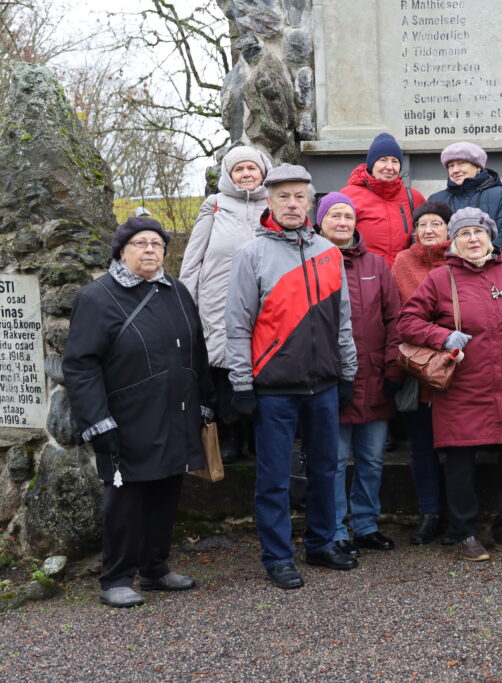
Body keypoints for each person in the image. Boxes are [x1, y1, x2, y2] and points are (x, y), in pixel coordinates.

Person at [63, 217, 214, 608]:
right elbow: (81, 365)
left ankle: (154, 569)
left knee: (166, 492)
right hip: (124, 417)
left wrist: (205, 400)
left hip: (175, 412)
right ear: (122, 251)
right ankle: (115, 577)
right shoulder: (97, 297)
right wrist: (97, 421)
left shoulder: (177, 291)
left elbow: (197, 350)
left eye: (157, 244)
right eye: (140, 243)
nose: (150, 250)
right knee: (126, 500)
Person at [225, 164, 359, 589]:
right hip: (274, 388)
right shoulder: (252, 254)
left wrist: (348, 372)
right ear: (269, 201)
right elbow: (237, 323)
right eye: (283, 196)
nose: (291, 203)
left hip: (322, 384)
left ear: (311, 202)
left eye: (299, 196)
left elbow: (343, 322)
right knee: (274, 478)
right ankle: (278, 556)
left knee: (324, 469)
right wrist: (242, 382)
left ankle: (319, 544)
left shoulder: (329, 252)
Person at [398, 207, 502, 561]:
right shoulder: (439, 279)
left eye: (479, 232)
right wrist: (442, 336)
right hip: (461, 389)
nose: (473, 239)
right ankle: (464, 532)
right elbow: (407, 322)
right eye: (464, 234)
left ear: (491, 238)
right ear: (454, 241)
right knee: (460, 464)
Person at [317, 192, 404, 556]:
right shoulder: (312, 261)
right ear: (320, 221)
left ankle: (366, 524)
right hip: (331, 382)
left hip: (375, 379)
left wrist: (392, 368)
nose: (342, 222)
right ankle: (334, 528)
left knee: (371, 459)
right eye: (335, 215)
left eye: (348, 217)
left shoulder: (377, 265)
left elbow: (393, 319)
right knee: (334, 462)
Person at [179, 145, 274, 463]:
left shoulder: (274, 204)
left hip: (263, 302)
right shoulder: (215, 205)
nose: (246, 174)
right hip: (217, 300)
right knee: (223, 369)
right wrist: (184, 303)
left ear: (263, 172)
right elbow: (193, 260)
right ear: (229, 175)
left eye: (252, 168)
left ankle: (257, 435)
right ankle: (231, 437)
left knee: (261, 366)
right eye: (239, 169)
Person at [391, 199, 453, 545]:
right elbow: (395, 313)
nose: (428, 231)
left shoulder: (459, 259)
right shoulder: (402, 262)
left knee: (458, 445)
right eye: (422, 224)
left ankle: (459, 514)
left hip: (457, 368)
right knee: (421, 445)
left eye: (436, 224)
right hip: (415, 367)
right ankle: (429, 512)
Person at [341, 132, 425, 267]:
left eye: (395, 161)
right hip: (366, 279)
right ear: (372, 164)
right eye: (383, 160)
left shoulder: (413, 197)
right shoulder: (349, 197)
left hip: (403, 280)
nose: (390, 167)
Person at [429, 142, 502, 255]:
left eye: (461, 163)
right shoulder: (436, 200)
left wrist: (487, 261)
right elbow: (428, 237)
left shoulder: (501, 195)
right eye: (451, 166)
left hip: (490, 267)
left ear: (478, 166)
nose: (455, 170)